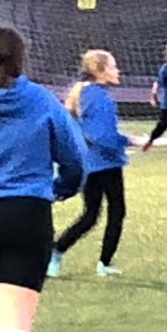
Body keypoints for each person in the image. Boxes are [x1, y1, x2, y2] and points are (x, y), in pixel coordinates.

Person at [0, 25, 88, 332]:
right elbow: (75, 158)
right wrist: (61, 188)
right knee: (16, 316)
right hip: (25, 213)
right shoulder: (40, 100)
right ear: (19, 59)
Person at [51, 50, 133, 279]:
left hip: (89, 164)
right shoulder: (100, 98)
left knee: (91, 215)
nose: (118, 71)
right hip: (104, 164)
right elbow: (101, 136)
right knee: (115, 211)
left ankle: (58, 252)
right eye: (113, 67)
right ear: (100, 71)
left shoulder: (84, 93)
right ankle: (102, 263)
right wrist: (129, 140)